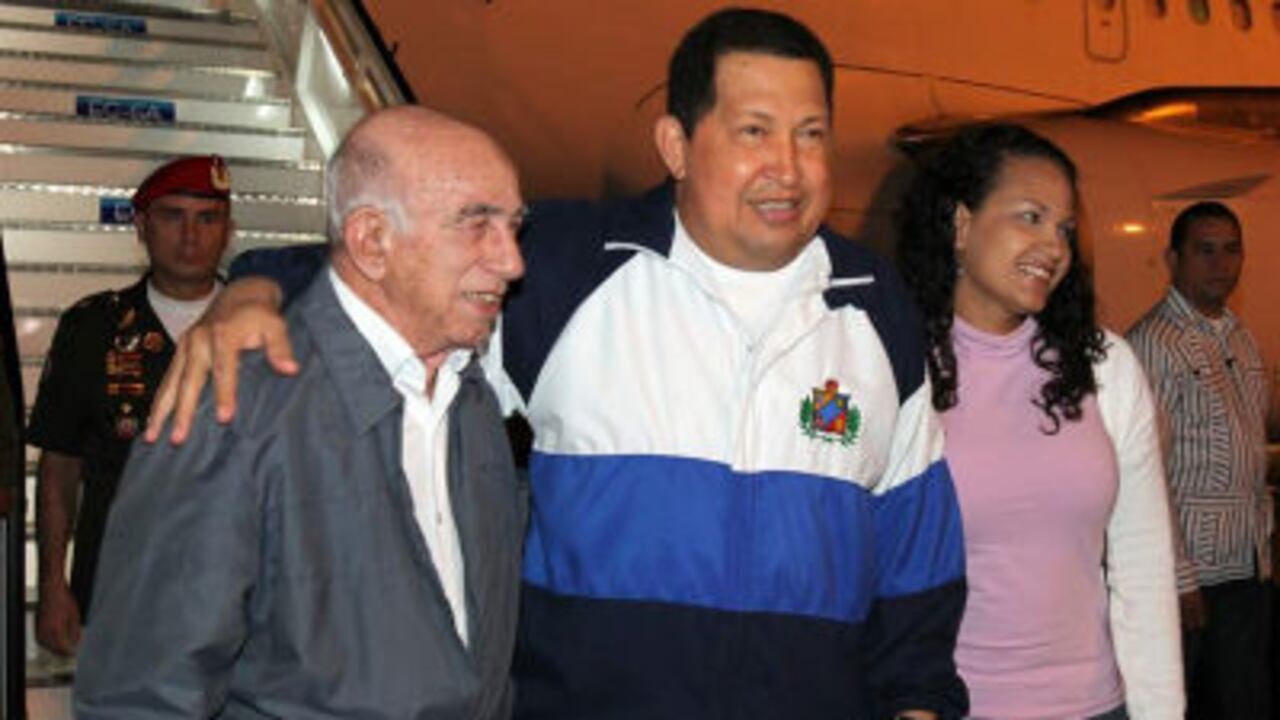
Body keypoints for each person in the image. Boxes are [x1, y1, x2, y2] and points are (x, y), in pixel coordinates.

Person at [148, 9, 968, 719]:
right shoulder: (563, 273)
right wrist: (252, 288)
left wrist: (918, 698)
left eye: (811, 133)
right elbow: (392, 276)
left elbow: (918, 554)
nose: (787, 167)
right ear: (676, 145)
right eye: (753, 131)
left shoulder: (875, 304)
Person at [74, 107, 527, 718]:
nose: (511, 262)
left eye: (514, 227)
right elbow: (142, 694)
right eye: (477, 226)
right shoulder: (235, 404)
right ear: (371, 240)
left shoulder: (473, 403)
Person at [897, 124, 1183, 719]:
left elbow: (1142, 567)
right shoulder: (897, 368)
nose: (1053, 246)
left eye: (1065, 229)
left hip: (1097, 706)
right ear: (961, 223)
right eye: (1030, 216)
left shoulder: (1106, 368)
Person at [27, 154, 233, 657]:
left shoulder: (266, 325)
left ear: (228, 230)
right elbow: (59, 466)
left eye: (207, 219)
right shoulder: (93, 327)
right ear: (140, 226)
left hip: (242, 588)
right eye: (172, 216)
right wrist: (53, 585)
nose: (191, 236)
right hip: (123, 586)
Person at [1126, 200, 1273, 719]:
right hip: (1192, 579)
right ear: (1173, 259)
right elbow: (1143, 473)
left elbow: (1249, 449)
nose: (1221, 264)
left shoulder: (1240, 336)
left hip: (1246, 563)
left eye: (1231, 250)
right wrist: (1180, 576)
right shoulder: (1152, 344)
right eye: (1204, 250)